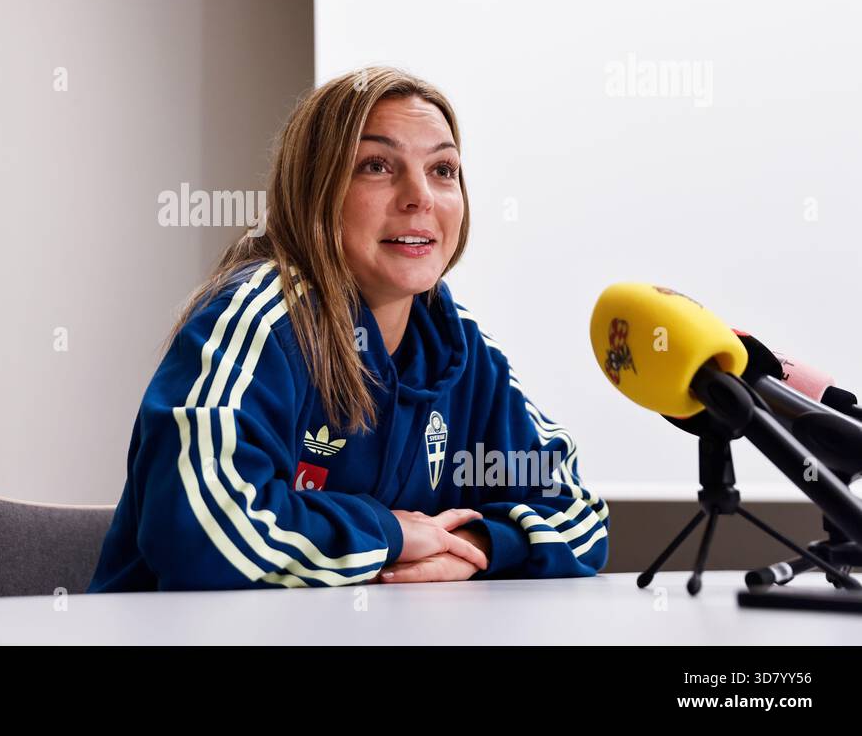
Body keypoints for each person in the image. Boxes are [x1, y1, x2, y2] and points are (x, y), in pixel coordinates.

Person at [88, 67, 609, 591]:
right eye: (377, 165)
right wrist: (390, 535)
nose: (420, 197)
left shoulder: (459, 348)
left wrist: (478, 545)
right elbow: (201, 533)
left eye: (443, 169)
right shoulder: (259, 319)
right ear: (317, 190)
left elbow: (581, 517)